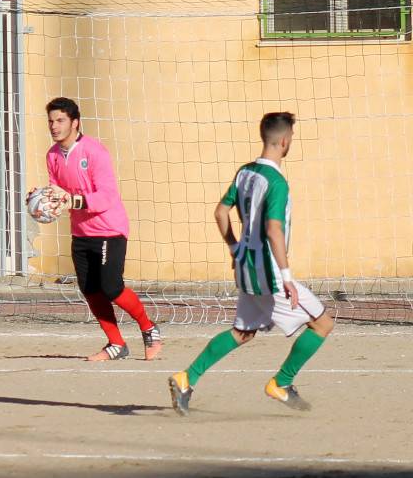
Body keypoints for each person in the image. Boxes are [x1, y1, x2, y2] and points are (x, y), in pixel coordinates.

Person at [168, 112, 334, 415]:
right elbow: (273, 229)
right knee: (322, 323)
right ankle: (281, 383)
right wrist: (286, 276)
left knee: (242, 331)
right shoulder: (277, 182)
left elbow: (220, 212)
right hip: (268, 273)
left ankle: (185, 378)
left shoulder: (245, 173)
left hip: (245, 266)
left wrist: (234, 246)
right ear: (284, 141)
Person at [39, 97, 163, 361]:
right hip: (81, 232)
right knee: (91, 290)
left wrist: (73, 200)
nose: (54, 126)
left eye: (60, 120)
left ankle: (149, 328)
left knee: (111, 286)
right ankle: (116, 344)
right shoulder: (52, 155)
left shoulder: (94, 151)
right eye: (51, 121)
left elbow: (106, 195)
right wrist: (44, 202)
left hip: (109, 229)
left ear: (75, 122)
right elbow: (57, 192)